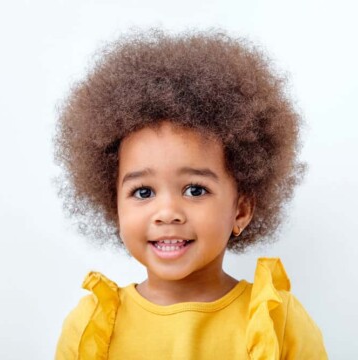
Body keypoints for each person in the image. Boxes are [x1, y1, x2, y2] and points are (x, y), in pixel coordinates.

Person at [53, 28, 328, 359]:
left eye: (195, 189)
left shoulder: (276, 321)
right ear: (115, 205)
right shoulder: (92, 326)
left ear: (240, 210)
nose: (167, 212)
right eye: (143, 192)